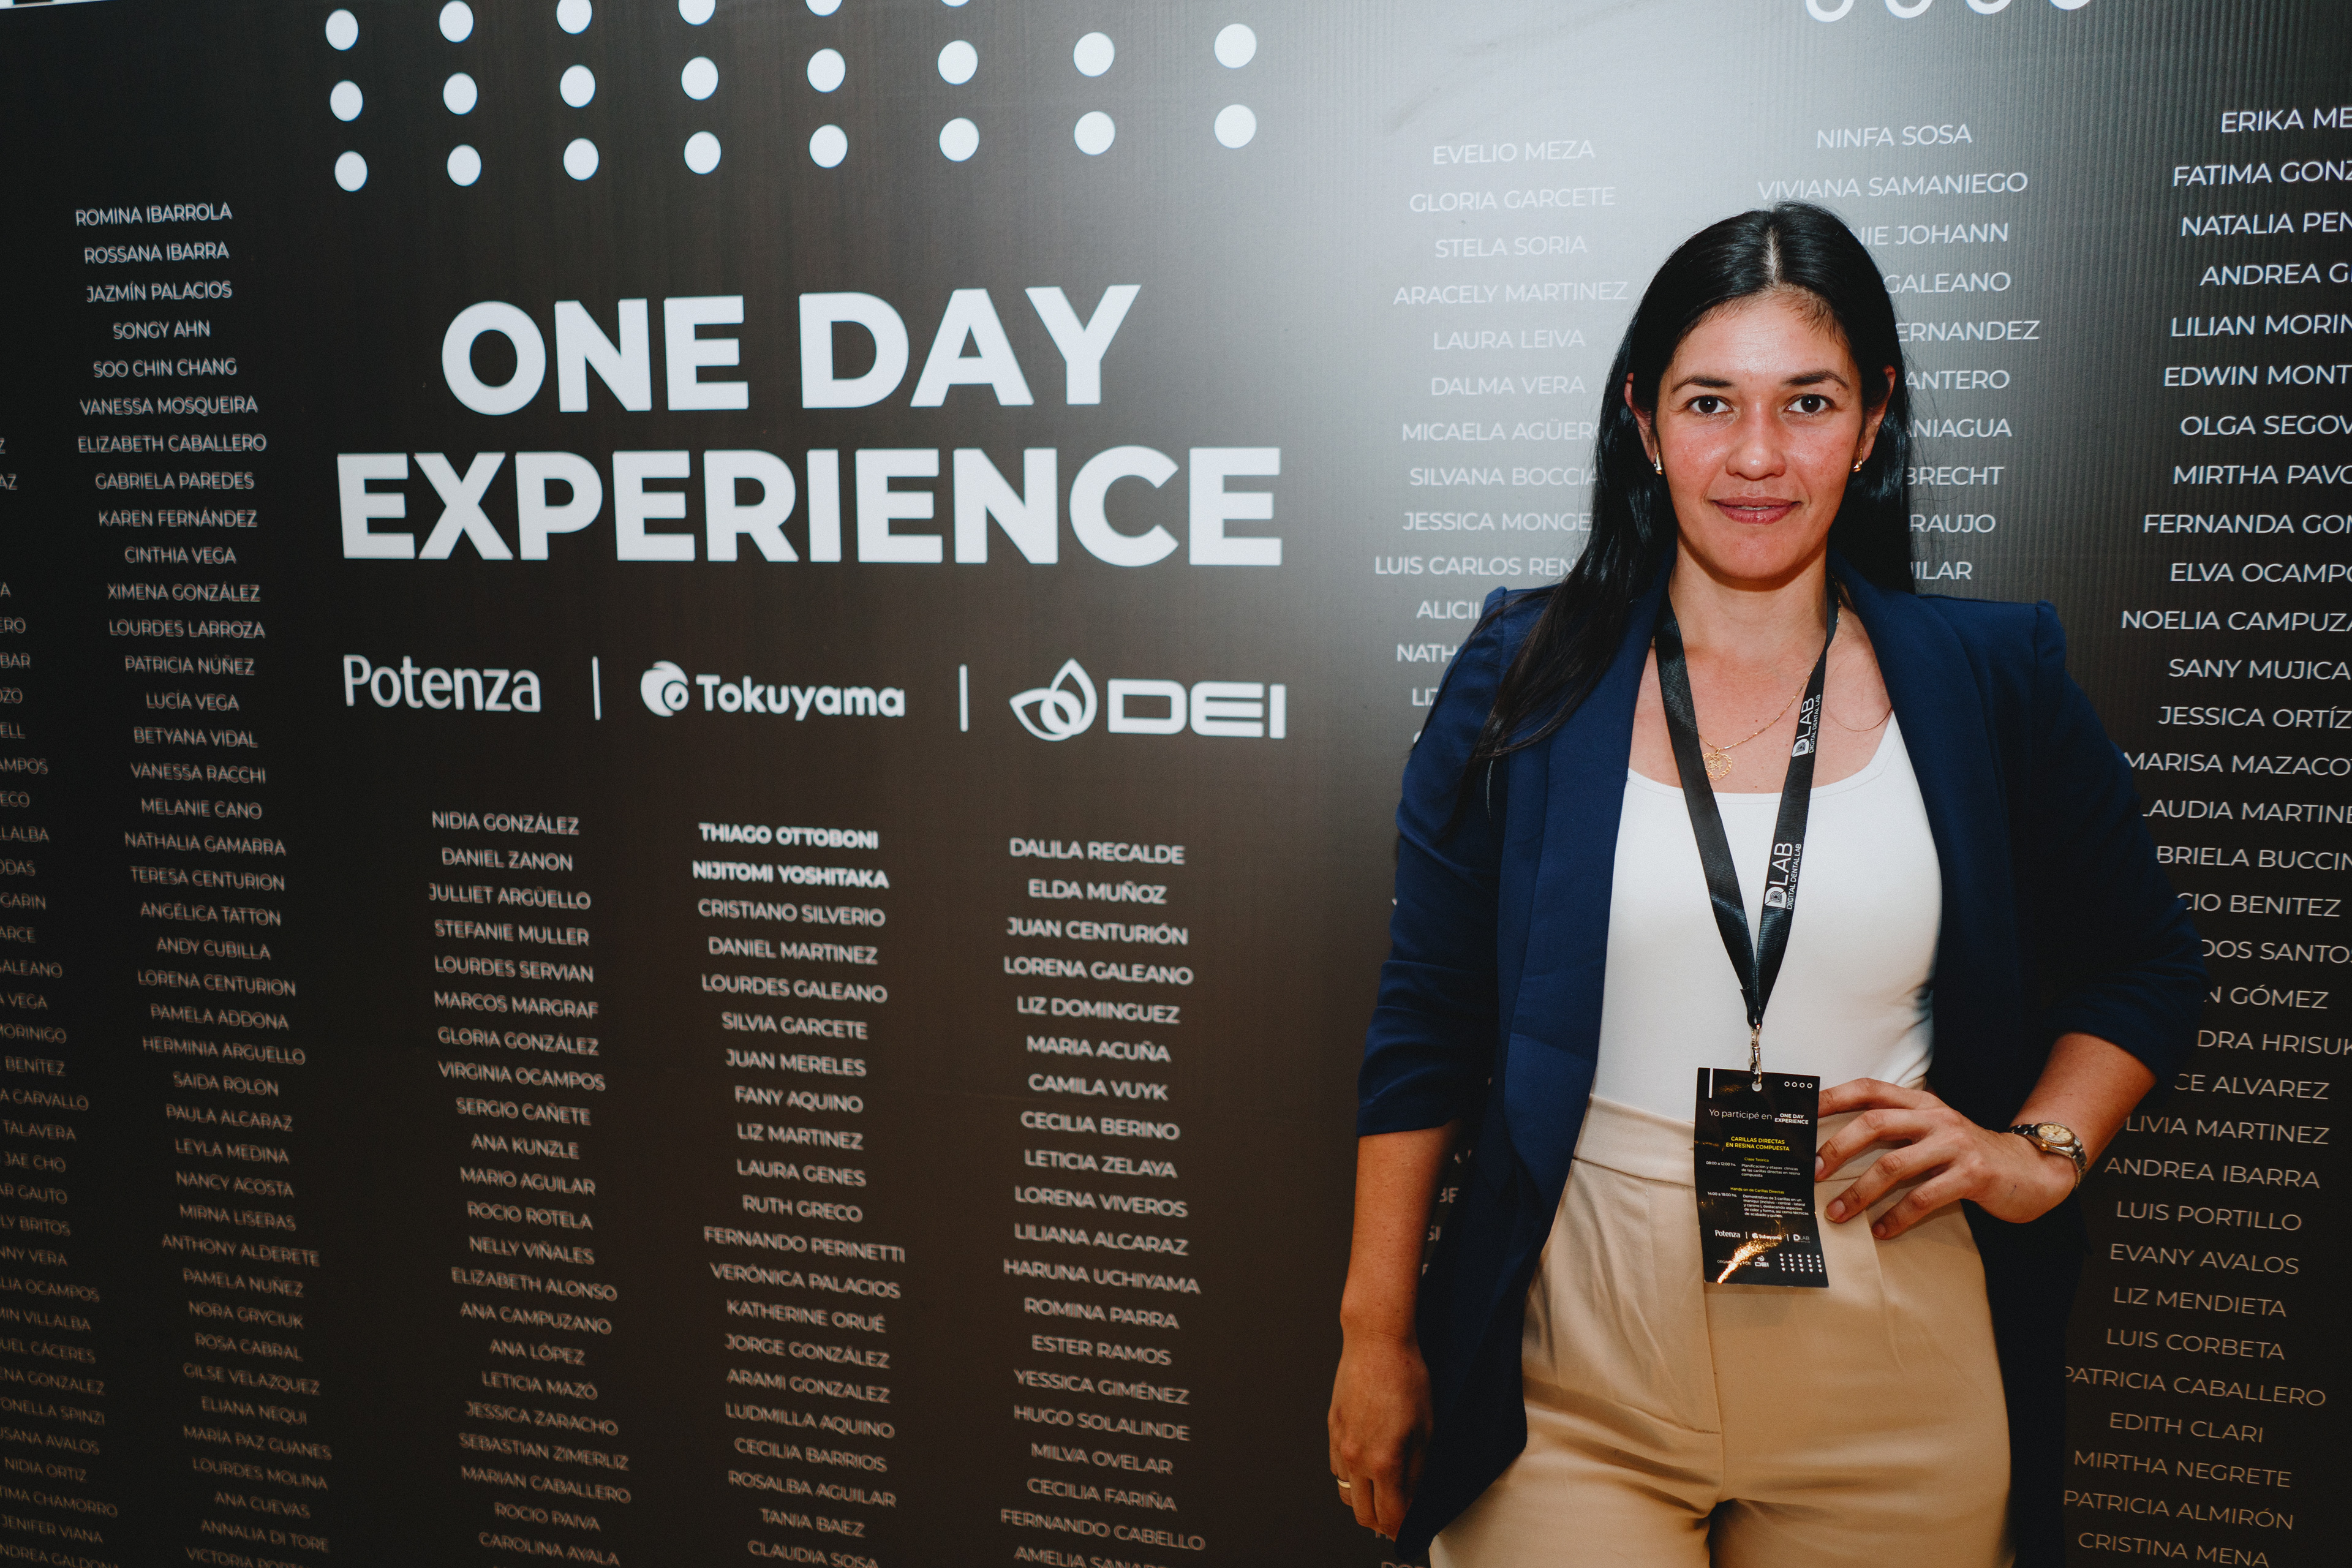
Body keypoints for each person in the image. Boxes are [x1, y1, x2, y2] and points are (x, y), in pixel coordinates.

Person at [1327, 204, 2204, 1568]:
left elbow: (2144, 962)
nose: (1756, 455)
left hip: (1893, 1331)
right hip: (1575, 1341)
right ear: (1642, 418)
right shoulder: (1522, 671)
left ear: (1873, 420)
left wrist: (2036, 1153)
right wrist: (1374, 1335)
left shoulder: (1994, 678)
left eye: (1808, 402)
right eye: (1708, 402)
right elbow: (1427, 1019)